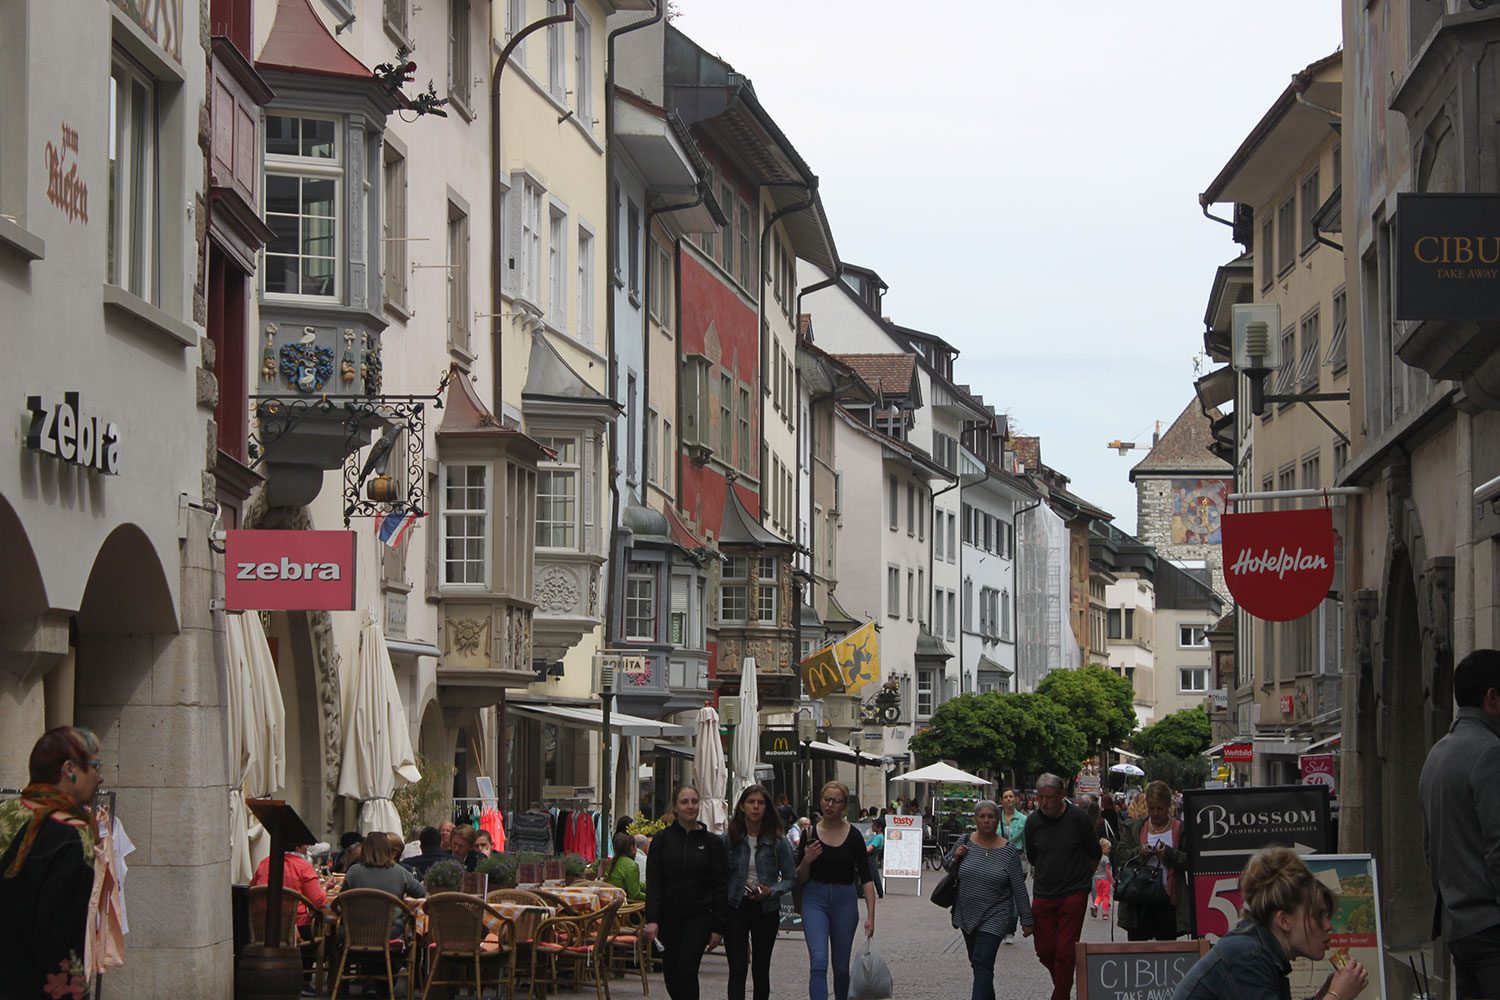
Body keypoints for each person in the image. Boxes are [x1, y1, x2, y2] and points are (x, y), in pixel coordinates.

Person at [1174, 846, 1369, 1000]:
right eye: (1319, 916)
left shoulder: (1258, 949)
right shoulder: (1247, 955)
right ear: (1284, 920)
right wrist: (1337, 996)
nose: (1328, 926)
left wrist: (1323, 994)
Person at [0, 727, 104, 1000]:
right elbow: (60, 936)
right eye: (94, 766)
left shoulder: (4, 812)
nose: (99, 777)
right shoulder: (73, 832)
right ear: (69, 769)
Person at [1420, 648, 1500, 998]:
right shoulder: (1489, 751)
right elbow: (1498, 846)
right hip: (1490, 926)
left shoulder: (1437, 754)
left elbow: (1429, 846)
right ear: (1492, 698)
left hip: (1458, 926)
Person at [644, 784, 728, 1000]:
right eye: (684, 802)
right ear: (675, 807)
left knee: (687, 969)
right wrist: (652, 918)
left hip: (699, 916)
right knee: (671, 972)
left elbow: (720, 885)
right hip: (668, 916)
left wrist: (718, 926)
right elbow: (654, 881)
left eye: (694, 801)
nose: (690, 806)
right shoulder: (662, 840)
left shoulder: (712, 843)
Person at [944, 799, 1033, 1000]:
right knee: (979, 965)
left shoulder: (1008, 851)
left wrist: (1027, 920)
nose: (986, 820)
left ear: (997, 820)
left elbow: (1019, 888)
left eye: (991, 816)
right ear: (976, 820)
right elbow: (947, 866)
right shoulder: (965, 842)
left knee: (982, 960)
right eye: (982, 816)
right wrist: (956, 857)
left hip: (996, 914)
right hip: (966, 913)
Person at [1024, 773, 1100, 1000]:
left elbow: (1094, 852)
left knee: (1065, 951)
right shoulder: (1033, 822)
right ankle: (1064, 984)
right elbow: (1033, 856)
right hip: (1044, 892)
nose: (1045, 803)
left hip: (1073, 892)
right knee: (1045, 950)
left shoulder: (1078, 818)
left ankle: (1060, 995)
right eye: (1040, 798)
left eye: (1049, 797)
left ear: (1061, 796)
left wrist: (1084, 881)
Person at [798, 781, 876, 1000]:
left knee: (841, 967)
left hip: (845, 900)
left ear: (844, 806)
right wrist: (807, 860)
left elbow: (867, 877)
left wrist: (871, 915)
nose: (830, 805)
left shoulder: (853, 836)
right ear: (821, 800)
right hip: (814, 899)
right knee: (819, 961)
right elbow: (800, 877)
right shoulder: (810, 833)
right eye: (827, 800)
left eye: (837, 801)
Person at [723, 784, 796, 1000]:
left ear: (767, 808)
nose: (756, 807)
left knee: (761, 969)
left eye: (761, 803)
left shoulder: (778, 842)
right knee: (737, 968)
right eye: (751, 802)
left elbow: (791, 877)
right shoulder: (729, 840)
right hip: (736, 905)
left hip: (766, 907)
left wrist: (771, 890)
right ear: (743, 807)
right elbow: (719, 875)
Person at [1115, 780, 1190, 941]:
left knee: (1166, 951)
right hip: (1138, 900)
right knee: (1138, 951)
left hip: (1169, 901)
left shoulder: (1180, 829)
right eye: (1151, 808)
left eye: (1160, 809)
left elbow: (1191, 862)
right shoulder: (1135, 827)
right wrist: (1140, 852)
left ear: (1168, 806)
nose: (1155, 813)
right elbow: (1120, 857)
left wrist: (1169, 854)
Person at [343, 828, 426, 935]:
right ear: (387, 850)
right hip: (390, 932)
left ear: (364, 849)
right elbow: (421, 893)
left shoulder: (353, 871)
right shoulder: (399, 872)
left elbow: (342, 901)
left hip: (356, 931)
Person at [1090, 839, 1113, 919]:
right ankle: (1105, 913)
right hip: (1105, 880)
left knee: (1099, 895)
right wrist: (1112, 881)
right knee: (1106, 896)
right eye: (1108, 848)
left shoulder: (1097, 858)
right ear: (1103, 849)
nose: (1109, 850)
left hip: (1097, 880)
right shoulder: (1106, 859)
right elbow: (1107, 871)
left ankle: (1095, 905)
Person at [864, 818, 885, 899]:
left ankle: (878, 892)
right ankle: (880, 892)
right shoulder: (877, 836)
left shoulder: (878, 837)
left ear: (879, 827)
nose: (872, 826)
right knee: (875, 875)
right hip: (871, 858)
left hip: (870, 857)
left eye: (874, 825)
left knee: (873, 875)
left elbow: (870, 848)